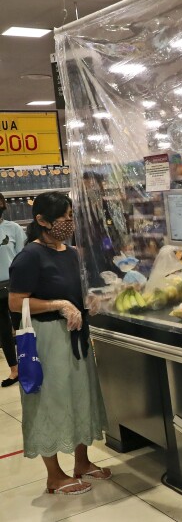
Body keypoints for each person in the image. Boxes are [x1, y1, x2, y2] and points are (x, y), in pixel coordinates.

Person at [8, 192, 109, 496]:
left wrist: (89, 299)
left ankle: (81, 462)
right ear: (41, 221)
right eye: (64, 216)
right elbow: (15, 302)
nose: (69, 222)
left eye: (70, 215)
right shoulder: (29, 256)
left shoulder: (73, 253)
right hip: (47, 339)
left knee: (79, 396)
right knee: (50, 402)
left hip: (75, 337)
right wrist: (58, 304)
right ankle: (54, 475)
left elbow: (77, 288)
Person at [0, 193, 26, 387]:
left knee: (22, 327)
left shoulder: (13, 228)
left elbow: (22, 258)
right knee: (3, 331)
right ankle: (14, 369)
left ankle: (28, 363)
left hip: (14, 285)